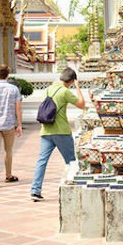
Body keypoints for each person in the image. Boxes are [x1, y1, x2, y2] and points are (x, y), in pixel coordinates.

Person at [30, 67, 85, 202]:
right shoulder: (65, 91)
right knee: (71, 160)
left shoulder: (47, 89)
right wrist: (78, 87)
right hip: (61, 131)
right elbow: (82, 104)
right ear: (71, 80)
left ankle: (35, 190)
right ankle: (72, 187)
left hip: (46, 130)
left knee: (41, 161)